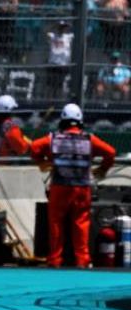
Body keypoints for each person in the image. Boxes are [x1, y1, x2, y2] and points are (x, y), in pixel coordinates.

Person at [31, 103, 116, 268]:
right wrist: (103, 168)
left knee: (56, 223)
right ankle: (82, 260)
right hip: (82, 188)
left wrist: (43, 162)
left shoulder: (53, 138)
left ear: (63, 120)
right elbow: (111, 152)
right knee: (81, 223)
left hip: (60, 187)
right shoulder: (89, 139)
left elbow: (34, 147)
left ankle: (55, 260)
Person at [45, 20, 73, 98]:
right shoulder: (52, 35)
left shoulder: (68, 37)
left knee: (60, 85)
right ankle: (49, 103)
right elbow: (45, 31)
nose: (61, 29)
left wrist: (69, 26)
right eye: (60, 27)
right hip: (52, 64)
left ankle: (58, 101)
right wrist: (54, 25)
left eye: (63, 27)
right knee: (50, 85)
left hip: (63, 65)